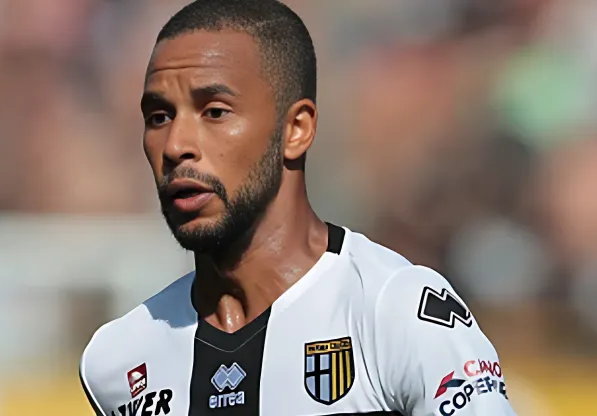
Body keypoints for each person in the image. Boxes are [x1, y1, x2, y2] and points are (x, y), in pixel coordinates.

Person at [79, 1, 517, 415]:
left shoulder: (394, 311)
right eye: (159, 117)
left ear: (296, 130)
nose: (175, 146)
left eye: (214, 112)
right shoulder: (119, 359)